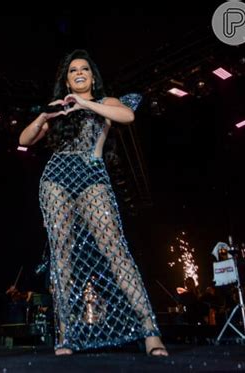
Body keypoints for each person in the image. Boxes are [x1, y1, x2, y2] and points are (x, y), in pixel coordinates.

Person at [19, 49, 168, 356]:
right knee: (62, 255)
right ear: (66, 78)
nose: (79, 72)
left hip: (91, 177)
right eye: (73, 70)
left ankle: (150, 331)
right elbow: (24, 140)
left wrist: (83, 103)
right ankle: (66, 334)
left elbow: (128, 115)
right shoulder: (59, 110)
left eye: (84, 68)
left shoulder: (104, 103)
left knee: (114, 248)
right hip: (56, 178)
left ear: (92, 75)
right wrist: (46, 115)